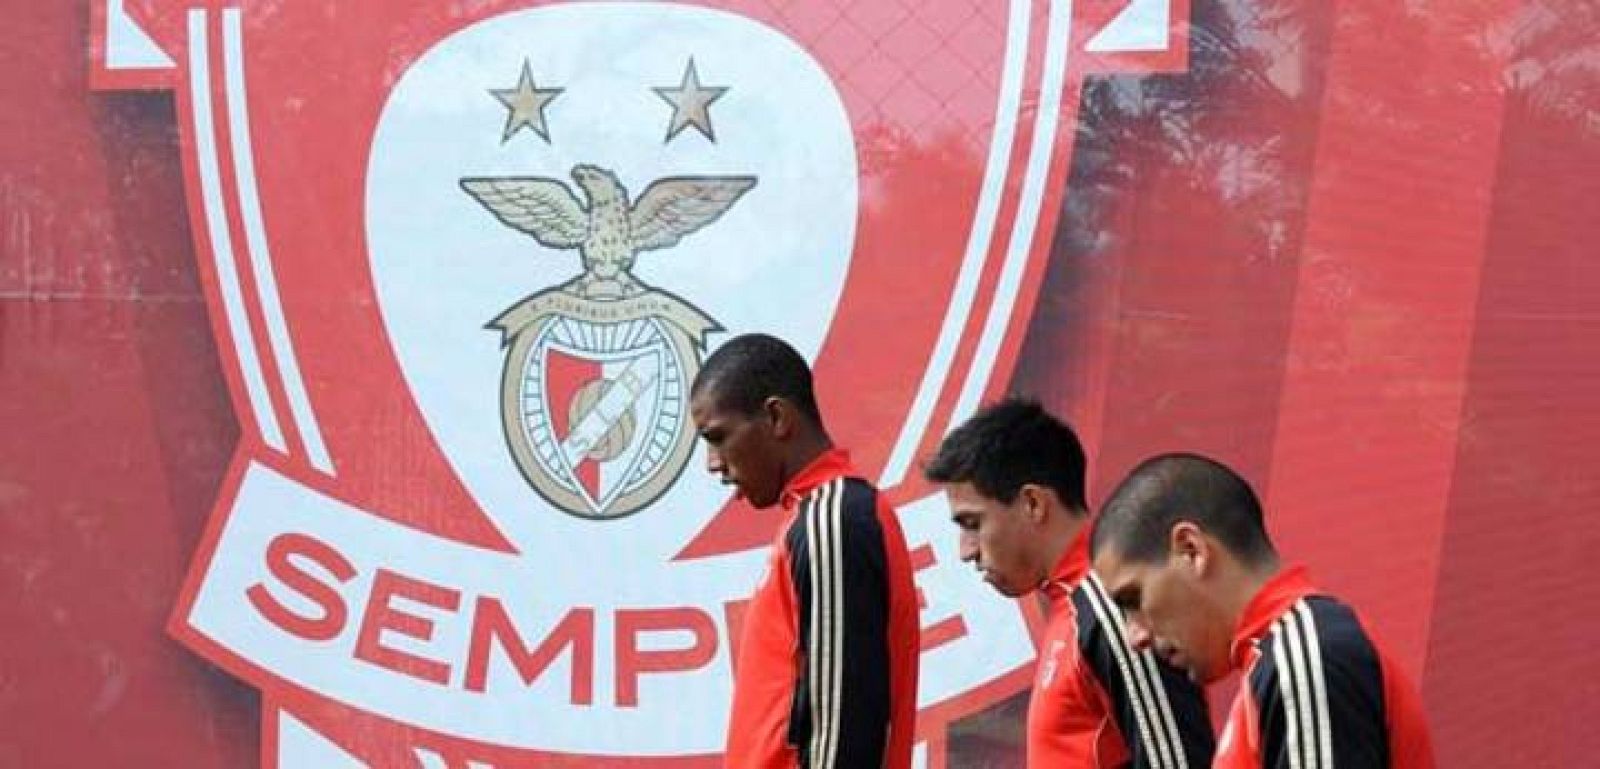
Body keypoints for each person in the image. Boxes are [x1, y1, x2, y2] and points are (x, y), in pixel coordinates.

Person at [1090, 453, 1436, 768]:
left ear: (1191, 550)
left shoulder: (1304, 658)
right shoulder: (1283, 662)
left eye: (1133, 599)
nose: (1136, 636)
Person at [923, 399, 1214, 768]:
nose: (966, 551)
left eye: (972, 524)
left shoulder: (1114, 606)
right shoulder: (1079, 607)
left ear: (1032, 503)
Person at [689, 333, 919, 769]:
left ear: (776, 417)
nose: (713, 463)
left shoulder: (832, 522)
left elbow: (845, 729)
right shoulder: (817, 520)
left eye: (718, 437)